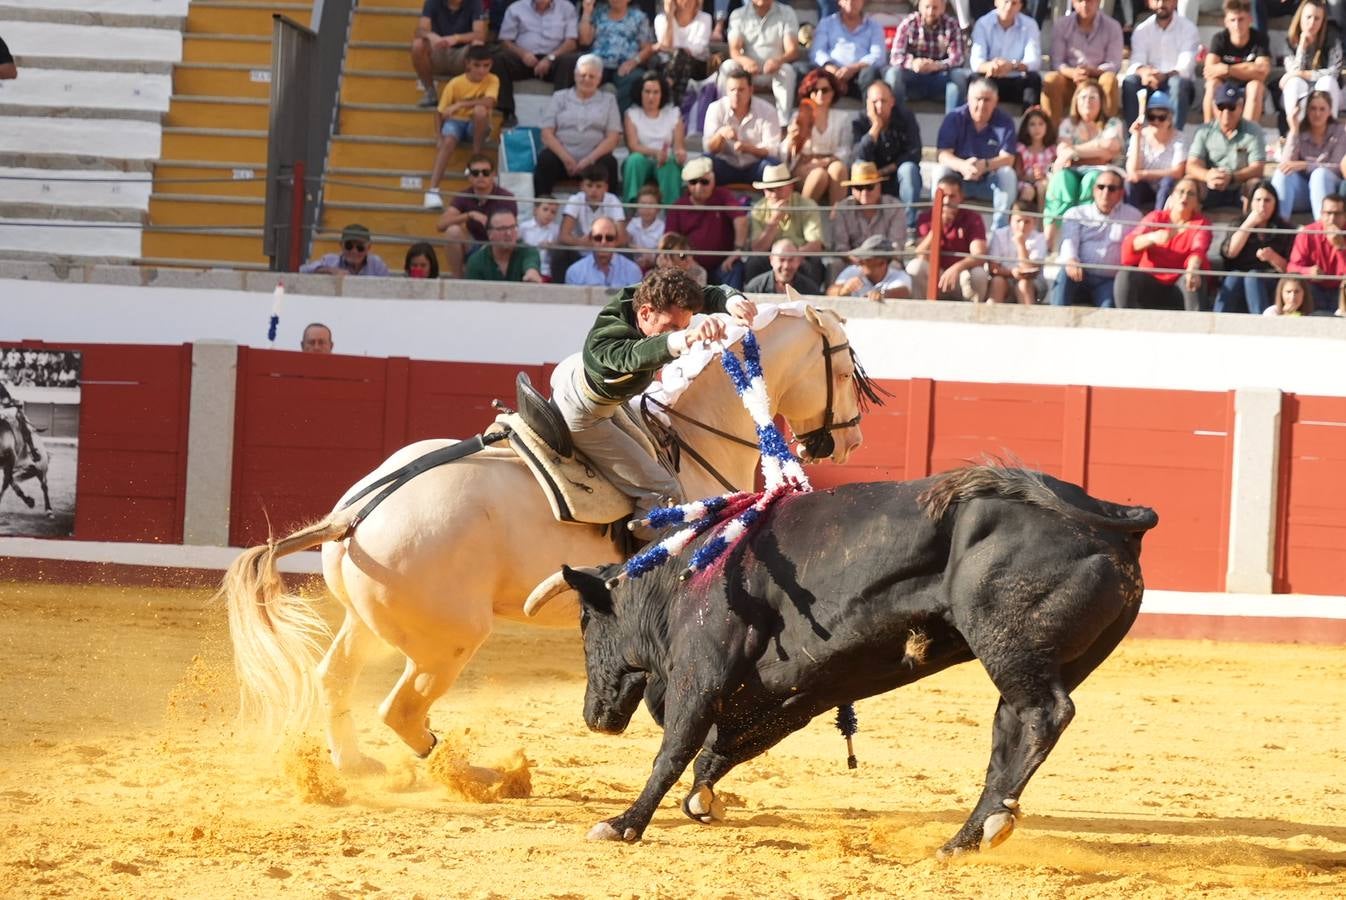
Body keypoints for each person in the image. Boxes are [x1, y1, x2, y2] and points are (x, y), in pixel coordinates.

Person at [548, 267, 757, 536]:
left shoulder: (642, 297)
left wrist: (731, 300)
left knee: (658, 451)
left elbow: (704, 295)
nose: (677, 330)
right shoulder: (604, 343)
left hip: (583, 384)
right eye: (670, 326)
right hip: (584, 413)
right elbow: (636, 356)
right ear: (645, 313)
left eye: (683, 326)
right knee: (663, 490)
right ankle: (646, 571)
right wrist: (689, 336)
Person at [1043, 79, 1124, 246]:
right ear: (1076, 101)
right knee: (1060, 181)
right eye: (1083, 97)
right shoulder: (1068, 124)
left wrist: (1075, 152)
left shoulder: (1112, 123)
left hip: (1101, 171)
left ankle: (1086, 241)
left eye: (1093, 97)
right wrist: (1095, 149)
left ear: (1101, 101)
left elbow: (1110, 149)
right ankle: (1051, 244)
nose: (1088, 101)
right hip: (1072, 172)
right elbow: (1063, 150)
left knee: (1092, 180)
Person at [936, 76, 1020, 230]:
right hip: (959, 182)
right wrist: (963, 166)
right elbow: (942, 154)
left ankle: (999, 230)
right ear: (968, 98)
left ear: (996, 101)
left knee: (1008, 174)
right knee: (941, 171)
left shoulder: (1005, 121)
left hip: (989, 182)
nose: (981, 104)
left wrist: (985, 165)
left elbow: (1008, 159)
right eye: (977, 99)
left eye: (987, 100)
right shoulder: (954, 118)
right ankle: (939, 223)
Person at [1115, 177, 1212, 310]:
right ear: (1172, 197)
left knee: (1193, 278)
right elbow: (1131, 244)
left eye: (1191, 193)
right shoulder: (1156, 218)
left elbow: (1198, 248)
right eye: (1180, 191)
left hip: (1179, 284)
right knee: (1125, 274)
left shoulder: (1201, 223)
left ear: (1196, 202)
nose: (1184, 196)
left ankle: (1195, 327)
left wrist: (1192, 268)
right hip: (1150, 282)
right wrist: (1153, 237)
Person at [1051, 167, 1142, 306]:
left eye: (1111, 188)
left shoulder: (1134, 217)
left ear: (1121, 193)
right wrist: (1071, 260)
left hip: (1108, 281)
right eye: (1101, 187)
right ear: (1094, 190)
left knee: (1108, 309)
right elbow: (1069, 242)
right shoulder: (1075, 213)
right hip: (1079, 275)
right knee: (1065, 272)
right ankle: (1055, 322)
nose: (1105, 192)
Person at [535, 54, 623, 196]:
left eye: (592, 76)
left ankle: (609, 211)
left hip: (594, 160)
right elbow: (546, 134)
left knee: (609, 162)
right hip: (562, 159)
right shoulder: (560, 97)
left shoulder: (609, 100)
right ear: (575, 76)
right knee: (546, 159)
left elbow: (612, 138)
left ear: (599, 79)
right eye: (583, 75)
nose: (586, 79)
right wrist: (566, 158)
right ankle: (542, 205)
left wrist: (589, 160)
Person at [423, 45, 499, 209]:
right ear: (468, 64)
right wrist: (439, 137)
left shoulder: (493, 79)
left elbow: (489, 102)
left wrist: (461, 104)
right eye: (477, 65)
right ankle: (433, 190)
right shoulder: (455, 83)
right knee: (448, 141)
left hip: (478, 125)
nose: (482, 70)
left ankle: (475, 158)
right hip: (456, 122)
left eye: (486, 66)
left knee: (480, 111)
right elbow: (440, 112)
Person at [665, 157, 749, 287]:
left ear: (713, 180)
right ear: (687, 184)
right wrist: (686, 259)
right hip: (689, 265)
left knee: (735, 267)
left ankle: (734, 306)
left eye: (704, 182)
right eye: (693, 182)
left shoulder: (723, 196)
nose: (699, 186)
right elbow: (670, 239)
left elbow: (741, 219)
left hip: (722, 265)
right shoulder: (679, 206)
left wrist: (737, 250)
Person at [852, 80, 924, 232]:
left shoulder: (906, 117)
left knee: (909, 169)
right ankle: (863, 226)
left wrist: (883, 172)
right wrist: (875, 127)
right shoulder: (859, 121)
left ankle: (909, 227)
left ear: (892, 101)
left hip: (895, 177)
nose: (879, 106)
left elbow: (914, 153)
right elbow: (859, 155)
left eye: (883, 101)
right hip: (870, 183)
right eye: (874, 102)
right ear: (867, 104)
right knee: (858, 166)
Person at [907, 175, 991, 301]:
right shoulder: (925, 217)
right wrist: (937, 228)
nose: (946, 201)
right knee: (915, 267)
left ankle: (974, 318)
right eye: (943, 196)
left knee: (979, 274)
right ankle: (922, 314)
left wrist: (957, 268)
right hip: (936, 277)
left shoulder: (973, 218)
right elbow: (921, 255)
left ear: (961, 197)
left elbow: (979, 254)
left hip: (961, 277)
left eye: (952, 196)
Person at [1214, 179, 1292, 313]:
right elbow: (1230, 252)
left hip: (1271, 279)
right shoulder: (1239, 224)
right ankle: (1217, 322)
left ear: (1275, 204)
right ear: (1250, 203)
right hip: (1239, 276)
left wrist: (1273, 258)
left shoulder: (1284, 229)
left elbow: (1290, 268)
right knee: (1235, 277)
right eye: (1258, 200)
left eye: (1267, 200)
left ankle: (1260, 324)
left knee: (1253, 277)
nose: (1262, 205)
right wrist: (1249, 224)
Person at [1187, 82, 1267, 209]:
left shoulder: (1253, 130)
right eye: (1221, 107)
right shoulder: (1204, 131)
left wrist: (1232, 177)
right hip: (1211, 184)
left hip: (1240, 185)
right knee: (1189, 184)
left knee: (1255, 185)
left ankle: (1250, 227)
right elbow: (1192, 165)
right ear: (1214, 107)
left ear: (1240, 107)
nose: (1226, 112)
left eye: (1231, 107)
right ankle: (1190, 227)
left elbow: (1258, 168)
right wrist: (1207, 175)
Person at [1042, 0, 1123, 124]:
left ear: (1098, 2)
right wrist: (1073, 72)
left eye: (1090, 1)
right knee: (1051, 79)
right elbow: (1056, 62)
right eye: (1080, 1)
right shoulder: (1062, 24)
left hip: (1098, 79)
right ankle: (1051, 135)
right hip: (1070, 80)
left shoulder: (1113, 26)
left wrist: (1092, 71)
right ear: (1073, 3)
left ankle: (1107, 132)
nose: (1085, 5)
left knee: (1109, 79)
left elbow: (1114, 63)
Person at [497, 0, 580, 121]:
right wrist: (523, 54)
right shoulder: (516, 8)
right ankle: (506, 112)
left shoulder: (566, 8)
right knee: (499, 59)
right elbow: (505, 41)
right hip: (524, 59)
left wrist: (550, 58)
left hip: (555, 59)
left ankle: (561, 112)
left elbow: (571, 43)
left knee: (570, 61)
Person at [436, 154, 517, 276]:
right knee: (453, 232)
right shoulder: (464, 196)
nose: (480, 176)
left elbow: (513, 230)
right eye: (475, 173)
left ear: (493, 175)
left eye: (485, 172)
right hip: (474, 245)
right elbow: (441, 225)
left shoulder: (505, 197)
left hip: (498, 246)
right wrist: (469, 215)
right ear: (469, 177)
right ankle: (458, 281)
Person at [1121, 0, 1197, 131]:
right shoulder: (1142, 29)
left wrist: (1164, 76)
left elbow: (1186, 66)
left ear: (1175, 2)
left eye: (1166, 0)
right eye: (1156, 0)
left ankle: (1175, 141)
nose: (1161, 4)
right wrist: (1144, 72)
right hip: (1150, 81)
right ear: (1149, 2)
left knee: (1177, 83)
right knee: (1130, 82)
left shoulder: (1188, 28)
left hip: (1175, 82)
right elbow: (1136, 61)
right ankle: (1132, 140)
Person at [884, 0, 970, 114]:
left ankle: (953, 123)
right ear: (919, 6)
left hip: (939, 79)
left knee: (958, 75)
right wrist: (913, 63)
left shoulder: (951, 25)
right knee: (893, 74)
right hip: (913, 78)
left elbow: (958, 58)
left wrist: (937, 65)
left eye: (935, 8)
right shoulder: (908, 23)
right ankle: (897, 119)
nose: (930, 12)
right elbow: (895, 56)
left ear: (943, 8)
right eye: (927, 7)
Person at [746, 163, 826, 285]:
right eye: (770, 189)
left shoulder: (807, 205)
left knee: (813, 263)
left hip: (800, 256)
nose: (774, 194)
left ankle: (811, 301)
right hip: (770, 258)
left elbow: (815, 245)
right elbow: (757, 249)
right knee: (754, 262)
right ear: (764, 191)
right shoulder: (759, 209)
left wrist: (793, 257)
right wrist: (773, 222)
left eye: (779, 188)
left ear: (791, 187)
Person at [780, 69, 852, 204]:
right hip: (804, 165)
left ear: (833, 92)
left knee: (838, 169)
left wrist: (824, 161)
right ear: (809, 93)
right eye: (814, 90)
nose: (819, 94)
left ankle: (837, 217)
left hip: (831, 162)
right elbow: (786, 153)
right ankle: (801, 217)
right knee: (819, 175)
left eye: (825, 90)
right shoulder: (799, 116)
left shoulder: (843, 118)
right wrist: (791, 138)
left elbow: (846, 150)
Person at [721, 0, 800, 121]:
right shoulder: (738, 14)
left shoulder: (787, 13)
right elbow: (734, 51)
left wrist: (778, 61)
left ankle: (783, 123)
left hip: (774, 72)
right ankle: (724, 116)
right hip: (747, 73)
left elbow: (792, 50)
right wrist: (745, 61)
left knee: (787, 70)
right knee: (727, 66)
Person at [1273, 90, 1346, 220]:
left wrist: (1306, 165)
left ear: (1329, 112)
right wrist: (1294, 130)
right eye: (1313, 108)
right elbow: (1286, 164)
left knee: (1319, 174)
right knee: (1281, 173)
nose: (1317, 113)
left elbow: (1337, 167)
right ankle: (1280, 225)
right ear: (1307, 111)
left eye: (1322, 109)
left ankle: (1322, 228)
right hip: (1304, 192)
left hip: (1330, 191)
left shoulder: (1341, 132)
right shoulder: (1300, 131)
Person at [703, 67, 782, 185]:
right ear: (726, 91)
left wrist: (747, 148)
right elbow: (708, 148)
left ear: (751, 90)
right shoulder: (716, 108)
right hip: (725, 166)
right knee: (703, 163)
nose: (736, 94)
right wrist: (720, 134)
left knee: (774, 166)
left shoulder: (767, 110)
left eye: (741, 90)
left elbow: (772, 150)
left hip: (755, 167)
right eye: (732, 90)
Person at [622, 72, 687, 204]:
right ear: (640, 93)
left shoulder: (673, 114)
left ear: (662, 94)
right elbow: (633, 146)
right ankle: (630, 209)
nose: (651, 97)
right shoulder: (631, 114)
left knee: (669, 163)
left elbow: (678, 147)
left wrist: (680, 154)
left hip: (666, 160)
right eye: (647, 91)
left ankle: (671, 214)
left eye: (656, 92)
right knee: (634, 160)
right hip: (642, 159)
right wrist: (656, 153)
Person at [1202, 0, 1272, 124]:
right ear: (1226, 22)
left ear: (1250, 19)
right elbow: (1209, 71)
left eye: (1241, 19)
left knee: (1255, 86)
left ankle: (1247, 137)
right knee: (1212, 85)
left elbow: (1262, 72)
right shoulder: (1219, 39)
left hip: (1248, 88)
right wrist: (1248, 69)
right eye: (1232, 20)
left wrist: (1227, 69)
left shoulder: (1259, 39)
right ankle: (1210, 133)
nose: (1237, 25)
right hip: (1225, 87)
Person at [577, 0, 655, 110]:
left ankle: (621, 121)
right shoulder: (599, 13)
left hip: (625, 65)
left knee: (636, 78)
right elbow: (585, 40)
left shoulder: (639, 17)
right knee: (583, 73)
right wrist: (586, 12)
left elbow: (647, 48)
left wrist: (633, 62)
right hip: (598, 63)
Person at [411, 0, 489, 108]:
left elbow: (480, 34)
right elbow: (419, 30)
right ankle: (430, 92)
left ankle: (473, 93)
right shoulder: (432, 2)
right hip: (439, 51)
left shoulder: (475, 2)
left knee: (478, 45)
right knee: (418, 44)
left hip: (463, 54)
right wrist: (431, 35)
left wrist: (456, 38)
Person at [1280, 0, 1345, 126]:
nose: (1312, 23)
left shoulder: (1332, 38)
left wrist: (1303, 74)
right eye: (1308, 17)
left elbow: (1334, 73)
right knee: (1293, 83)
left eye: (1317, 19)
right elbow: (1293, 71)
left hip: (1328, 90)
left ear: (1322, 21)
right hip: (1301, 90)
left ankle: (1330, 132)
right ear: (1300, 17)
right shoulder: (1290, 41)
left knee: (1327, 82)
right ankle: (1296, 131)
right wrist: (1302, 48)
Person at [969, 0, 1043, 109]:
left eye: (1014, 3)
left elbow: (1034, 61)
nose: (1008, 7)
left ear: (1020, 6)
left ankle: (1028, 121)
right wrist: (992, 66)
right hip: (991, 77)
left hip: (1017, 79)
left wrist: (1012, 66)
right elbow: (976, 62)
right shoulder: (983, 23)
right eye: (1006, 1)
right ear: (996, 2)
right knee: (975, 79)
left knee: (1034, 79)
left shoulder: (1030, 25)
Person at [811, 0, 886, 100]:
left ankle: (868, 111)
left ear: (862, 2)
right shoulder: (826, 23)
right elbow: (817, 52)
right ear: (839, 2)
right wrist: (831, 68)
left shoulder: (874, 26)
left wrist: (853, 68)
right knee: (803, 70)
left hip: (859, 75)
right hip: (831, 73)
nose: (851, 3)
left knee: (870, 73)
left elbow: (879, 56)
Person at [831, 160, 908, 259]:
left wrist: (873, 264)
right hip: (852, 263)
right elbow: (841, 248)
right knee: (835, 266)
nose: (864, 192)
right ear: (852, 190)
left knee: (895, 267)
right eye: (858, 187)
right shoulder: (842, 209)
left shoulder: (895, 207)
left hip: (885, 264)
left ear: (879, 186)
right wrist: (859, 262)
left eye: (869, 186)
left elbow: (896, 247)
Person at [1124, 89, 1185, 212]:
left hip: (1167, 189)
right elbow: (1132, 173)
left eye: (1161, 117)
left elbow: (1177, 172)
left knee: (1167, 182)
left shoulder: (1179, 138)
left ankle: (1159, 220)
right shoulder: (1141, 135)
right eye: (1152, 117)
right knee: (1129, 184)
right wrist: (1137, 136)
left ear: (1170, 118)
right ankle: (1132, 218)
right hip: (1145, 187)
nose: (1156, 121)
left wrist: (1145, 174)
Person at [1287, 191, 1346, 310]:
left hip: (1341, 289)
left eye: (1337, 214)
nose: (1332, 218)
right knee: (1300, 286)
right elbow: (1292, 267)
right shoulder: (1308, 234)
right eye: (1328, 213)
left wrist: (1341, 248)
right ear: (1321, 214)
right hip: (1314, 288)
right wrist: (1308, 272)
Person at [650, 0, 712, 103]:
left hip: (696, 66)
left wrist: (674, 49)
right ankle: (674, 102)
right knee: (678, 57)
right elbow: (666, 46)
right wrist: (669, 17)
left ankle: (668, 99)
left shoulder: (705, 18)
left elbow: (697, 49)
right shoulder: (661, 19)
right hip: (667, 65)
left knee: (680, 55)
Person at [985, 201, 1048, 303]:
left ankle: (1028, 315)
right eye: (1018, 221)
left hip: (1033, 281)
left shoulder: (1040, 238)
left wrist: (1021, 244)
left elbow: (1030, 270)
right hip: (1005, 277)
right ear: (1010, 220)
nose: (1022, 226)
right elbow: (993, 268)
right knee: (997, 282)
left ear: (1035, 222)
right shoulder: (998, 235)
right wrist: (1012, 273)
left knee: (1023, 284)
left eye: (1027, 222)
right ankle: (990, 316)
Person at [465, 209, 544, 281]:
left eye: (513, 227)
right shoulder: (476, 261)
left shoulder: (528, 251)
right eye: (502, 229)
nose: (509, 233)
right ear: (490, 234)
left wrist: (532, 273)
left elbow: (531, 264)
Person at [565, 216, 646, 285]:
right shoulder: (574, 272)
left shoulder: (632, 270)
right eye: (598, 238)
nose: (603, 242)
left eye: (609, 238)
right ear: (590, 239)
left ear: (616, 240)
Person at [829, 235, 913, 299]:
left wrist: (882, 294)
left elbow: (903, 292)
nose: (860, 261)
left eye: (867, 259)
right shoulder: (852, 271)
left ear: (882, 263)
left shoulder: (899, 276)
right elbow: (830, 292)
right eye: (861, 257)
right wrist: (843, 290)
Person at [299, 224, 391, 276]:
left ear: (368, 248)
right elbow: (303, 270)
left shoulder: (377, 265)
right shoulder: (330, 260)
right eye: (349, 246)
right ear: (341, 245)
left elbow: (388, 287)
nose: (354, 251)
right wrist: (330, 270)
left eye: (360, 247)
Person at [746, 238, 825, 294]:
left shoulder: (810, 289)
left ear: (798, 261)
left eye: (791, 260)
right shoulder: (755, 288)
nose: (786, 266)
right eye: (781, 259)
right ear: (771, 260)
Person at [1016, 105, 1055, 208]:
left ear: (1047, 126)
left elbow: (1052, 170)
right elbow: (1018, 173)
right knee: (1028, 191)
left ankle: (1042, 221)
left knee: (1043, 186)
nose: (1037, 128)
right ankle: (1022, 218)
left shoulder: (1051, 151)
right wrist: (1030, 177)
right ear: (1026, 128)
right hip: (1025, 183)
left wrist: (1044, 176)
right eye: (1032, 124)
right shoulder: (1021, 149)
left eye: (1041, 124)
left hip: (1044, 182)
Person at [519, 196, 562, 280]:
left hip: (546, 271)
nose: (549, 214)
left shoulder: (556, 230)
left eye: (553, 212)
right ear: (535, 210)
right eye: (545, 209)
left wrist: (552, 246)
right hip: (525, 268)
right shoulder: (524, 227)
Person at [627, 184, 667, 269]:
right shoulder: (633, 223)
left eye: (651, 204)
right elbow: (627, 243)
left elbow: (661, 253)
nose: (646, 208)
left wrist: (649, 257)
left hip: (655, 266)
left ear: (659, 208)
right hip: (633, 264)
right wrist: (641, 250)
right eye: (643, 204)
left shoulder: (662, 227)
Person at [0, 380, 40, 461]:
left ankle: (32, 449)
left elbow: (6, 400)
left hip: (3, 409)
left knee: (21, 419)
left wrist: (2, 404)